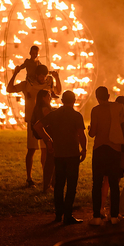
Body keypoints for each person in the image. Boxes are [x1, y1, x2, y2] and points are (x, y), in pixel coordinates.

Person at [34, 91, 86, 225]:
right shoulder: (76, 116)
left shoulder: (54, 114)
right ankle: (67, 215)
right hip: (72, 154)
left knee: (59, 185)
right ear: (74, 101)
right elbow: (81, 135)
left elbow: (37, 126)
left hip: (58, 154)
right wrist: (84, 149)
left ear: (62, 100)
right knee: (71, 185)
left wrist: (48, 140)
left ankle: (58, 214)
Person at [7, 64, 61, 186]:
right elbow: (9, 89)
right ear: (36, 75)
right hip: (33, 121)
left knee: (45, 150)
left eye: (45, 76)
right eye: (41, 76)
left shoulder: (48, 84)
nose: (43, 78)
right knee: (31, 150)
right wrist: (15, 73)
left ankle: (45, 179)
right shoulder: (28, 84)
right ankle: (29, 178)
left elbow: (58, 92)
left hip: (46, 122)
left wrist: (57, 78)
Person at [88, 87, 124, 225]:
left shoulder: (96, 110)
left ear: (97, 97)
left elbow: (93, 132)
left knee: (97, 183)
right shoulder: (118, 108)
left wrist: (90, 130)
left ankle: (96, 216)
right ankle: (114, 216)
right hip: (115, 149)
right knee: (114, 183)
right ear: (109, 95)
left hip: (100, 148)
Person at [31, 90, 54, 192]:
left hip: (44, 135)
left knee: (47, 157)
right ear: (43, 98)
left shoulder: (38, 108)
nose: (50, 98)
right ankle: (48, 184)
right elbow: (50, 120)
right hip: (48, 134)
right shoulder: (45, 109)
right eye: (48, 96)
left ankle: (47, 183)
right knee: (49, 159)